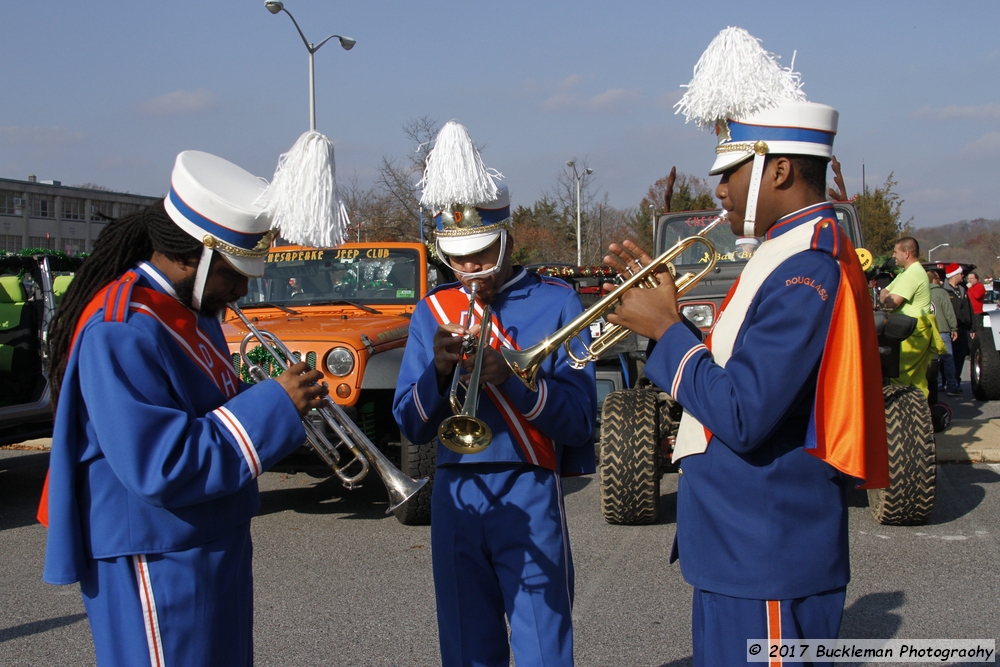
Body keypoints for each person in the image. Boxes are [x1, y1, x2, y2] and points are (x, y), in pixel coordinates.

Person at [604, 27, 888, 667]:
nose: (718, 188)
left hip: (768, 556)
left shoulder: (805, 265)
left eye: (728, 171)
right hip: (743, 551)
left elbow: (744, 411)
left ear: (779, 168)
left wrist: (664, 330)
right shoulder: (783, 252)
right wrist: (671, 318)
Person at [38, 151, 329, 667]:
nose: (243, 289)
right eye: (236, 273)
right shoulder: (121, 327)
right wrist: (274, 405)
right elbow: (160, 464)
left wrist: (281, 406)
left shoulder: (190, 308)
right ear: (195, 257)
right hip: (156, 552)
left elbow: (210, 408)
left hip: (208, 535)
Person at [393, 121, 597, 667]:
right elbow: (410, 425)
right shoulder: (432, 311)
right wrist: (437, 372)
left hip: (529, 483)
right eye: (457, 258)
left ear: (507, 235)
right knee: (465, 644)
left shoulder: (556, 301)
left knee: (542, 642)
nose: (469, 268)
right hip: (455, 495)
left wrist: (513, 380)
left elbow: (579, 420)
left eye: (481, 252)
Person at [880, 237, 940, 397]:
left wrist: (884, 294)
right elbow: (885, 291)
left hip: (910, 332)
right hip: (913, 329)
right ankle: (921, 417)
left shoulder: (912, 274)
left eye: (896, 252)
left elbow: (890, 302)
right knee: (917, 380)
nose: (893, 256)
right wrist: (885, 293)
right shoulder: (907, 273)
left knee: (899, 376)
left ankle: (900, 417)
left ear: (906, 254)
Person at [928, 269, 960, 396]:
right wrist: (954, 328)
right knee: (947, 359)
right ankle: (951, 385)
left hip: (927, 331)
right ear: (935, 280)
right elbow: (948, 311)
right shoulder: (941, 293)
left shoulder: (920, 292)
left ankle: (938, 383)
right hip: (942, 330)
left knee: (932, 360)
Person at [944, 263, 973, 384]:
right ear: (954, 275)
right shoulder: (944, 291)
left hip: (963, 328)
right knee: (950, 357)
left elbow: (969, 309)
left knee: (961, 356)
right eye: (961, 274)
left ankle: (956, 378)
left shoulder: (963, 290)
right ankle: (948, 380)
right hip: (950, 329)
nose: (963, 276)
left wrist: (973, 328)